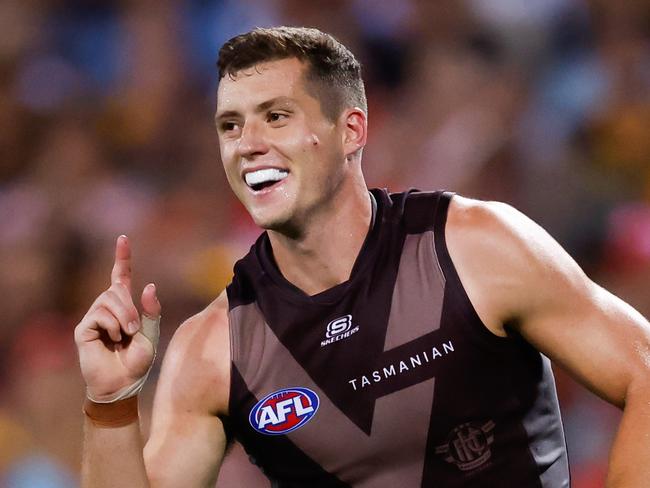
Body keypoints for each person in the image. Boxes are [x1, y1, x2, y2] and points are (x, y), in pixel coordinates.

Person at [74, 26, 650, 487]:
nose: (247, 144)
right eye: (231, 125)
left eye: (276, 116)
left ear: (352, 130)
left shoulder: (474, 246)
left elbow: (643, 371)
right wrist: (111, 404)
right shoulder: (215, 348)